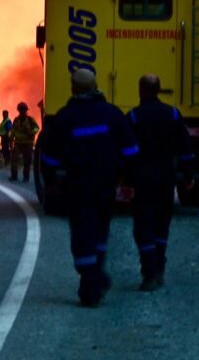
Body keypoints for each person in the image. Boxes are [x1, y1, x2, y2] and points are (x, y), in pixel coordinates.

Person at [40, 69, 139, 306]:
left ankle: (90, 280)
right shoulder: (112, 114)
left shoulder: (64, 117)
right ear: (95, 86)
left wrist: (51, 183)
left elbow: (49, 157)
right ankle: (96, 274)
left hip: (78, 185)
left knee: (82, 231)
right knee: (101, 229)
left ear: (73, 88)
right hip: (106, 184)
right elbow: (130, 151)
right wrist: (128, 179)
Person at [126, 74, 194, 291]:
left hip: (143, 179)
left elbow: (126, 152)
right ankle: (159, 268)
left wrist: (124, 179)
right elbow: (185, 148)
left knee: (143, 226)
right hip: (166, 178)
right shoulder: (172, 114)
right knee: (162, 224)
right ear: (158, 90)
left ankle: (149, 273)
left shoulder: (133, 117)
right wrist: (188, 175)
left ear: (141, 90)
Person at [9, 102, 40, 183]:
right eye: (20, 109)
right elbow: (13, 130)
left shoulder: (30, 120)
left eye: (23, 109)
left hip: (28, 143)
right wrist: (11, 140)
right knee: (14, 160)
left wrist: (32, 132)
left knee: (27, 161)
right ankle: (14, 176)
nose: (22, 111)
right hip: (18, 143)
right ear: (18, 110)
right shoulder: (16, 120)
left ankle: (26, 177)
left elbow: (37, 128)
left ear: (26, 110)